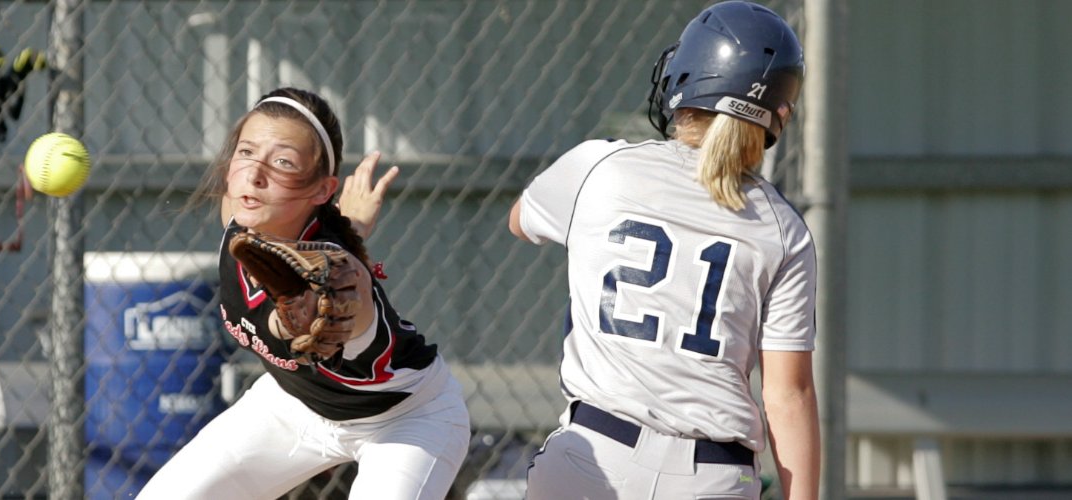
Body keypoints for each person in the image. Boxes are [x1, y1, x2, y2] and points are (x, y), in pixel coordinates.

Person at [508, 2, 818, 499]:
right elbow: (787, 395)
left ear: (687, 78)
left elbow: (520, 221)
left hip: (593, 457)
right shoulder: (783, 227)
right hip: (713, 477)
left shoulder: (600, 166)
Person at [138, 87, 469, 500]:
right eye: (246, 152)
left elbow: (323, 302)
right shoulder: (240, 215)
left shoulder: (342, 278)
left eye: (283, 162)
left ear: (322, 190)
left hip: (405, 421)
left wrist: (317, 287)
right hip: (292, 405)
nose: (254, 175)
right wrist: (351, 225)